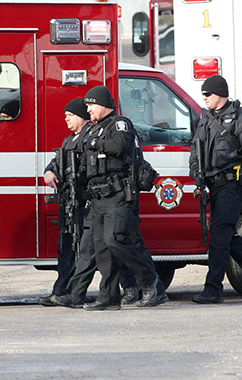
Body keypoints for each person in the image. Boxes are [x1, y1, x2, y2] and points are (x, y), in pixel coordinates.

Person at [188, 75, 242, 304]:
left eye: (207, 94)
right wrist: (196, 173)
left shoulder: (241, 118)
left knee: (219, 237)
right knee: (228, 237)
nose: (204, 98)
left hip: (232, 185)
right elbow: (195, 151)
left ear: (219, 94)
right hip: (213, 186)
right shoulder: (205, 119)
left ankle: (213, 289)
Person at [78, 85, 164, 310]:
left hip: (118, 194)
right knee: (102, 249)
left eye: (90, 105)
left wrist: (95, 144)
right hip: (98, 197)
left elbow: (120, 145)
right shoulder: (94, 129)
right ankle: (108, 298)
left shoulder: (120, 124)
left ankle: (149, 281)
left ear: (102, 104)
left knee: (116, 240)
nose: (87, 109)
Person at [38, 98, 93, 306]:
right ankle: (61, 290)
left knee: (86, 250)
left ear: (81, 116)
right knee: (66, 249)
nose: (66, 120)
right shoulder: (69, 140)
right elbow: (58, 161)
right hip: (69, 202)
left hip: (84, 202)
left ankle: (71, 292)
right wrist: (49, 171)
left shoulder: (89, 138)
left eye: (70, 116)